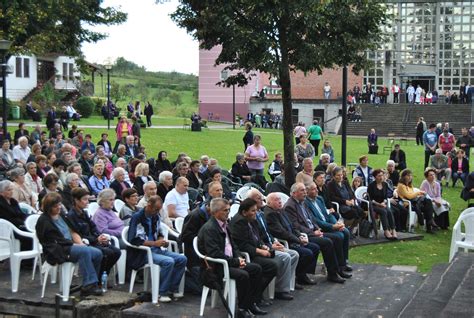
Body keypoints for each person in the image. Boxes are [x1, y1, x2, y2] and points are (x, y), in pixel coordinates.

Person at [198, 198, 263, 317]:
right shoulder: (210, 229)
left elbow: (233, 246)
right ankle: (242, 309)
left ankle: (250, 303)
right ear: (215, 212)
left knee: (256, 269)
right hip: (217, 266)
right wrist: (235, 261)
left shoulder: (225, 225)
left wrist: (239, 258)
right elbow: (215, 254)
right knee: (243, 275)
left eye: (228, 210)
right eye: (225, 210)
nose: (228, 212)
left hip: (229, 261)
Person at [36, 192, 103, 296]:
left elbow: (73, 231)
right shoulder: (44, 221)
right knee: (84, 251)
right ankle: (89, 285)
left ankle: (92, 282)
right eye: (55, 206)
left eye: (59, 204)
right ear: (49, 207)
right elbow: (54, 241)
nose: (59, 207)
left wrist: (80, 243)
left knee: (97, 253)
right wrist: (75, 245)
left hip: (70, 245)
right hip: (58, 249)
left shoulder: (62, 216)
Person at [284, 182, 350, 284]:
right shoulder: (290, 206)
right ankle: (332, 274)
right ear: (294, 193)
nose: (305, 193)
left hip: (313, 231)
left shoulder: (302, 202)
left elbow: (311, 219)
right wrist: (313, 232)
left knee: (336, 238)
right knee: (327, 242)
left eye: (305, 190)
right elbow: (296, 226)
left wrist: (317, 228)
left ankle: (338, 269)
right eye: (302, 191)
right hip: (305, 235)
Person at [128, 195, 187, 303]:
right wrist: (154, 243)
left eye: (159, 209)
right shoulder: (137, 217)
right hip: (143, 252)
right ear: (149, 205)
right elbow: (133, 240)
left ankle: (171, 289)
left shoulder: (155, 216)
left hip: (156, 249)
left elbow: (159, 232)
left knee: (182, 259)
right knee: (168, 261)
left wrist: (162, 241)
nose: (157, 212)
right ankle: (161, 292)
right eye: (156, 209)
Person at [246, 189, 299, 301]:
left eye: (261, 197)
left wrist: (274, 241)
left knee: (294, 254)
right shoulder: (252, 217)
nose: (261, 200)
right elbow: (256, 238)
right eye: (258, 198)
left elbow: (267, 233)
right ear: (250, 201)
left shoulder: (260, 214)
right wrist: (269, 246)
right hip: (261, 249)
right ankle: (281, 290)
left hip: (270, 244)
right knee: (286, 256)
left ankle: (281, 285)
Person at [229, 198, 278, 309]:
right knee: (270, 267)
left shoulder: (252, 220)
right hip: (247, 254)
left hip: (255, 250)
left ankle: (256, 295)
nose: (255, 213)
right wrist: (260, 251)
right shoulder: (238, 222)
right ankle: (255, 297)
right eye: (252, 211)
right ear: (244, 212)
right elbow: (242, 245)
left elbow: (258, 237)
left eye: (256, 210)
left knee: (273, 259)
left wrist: (263, 245)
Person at [264, 193, 319, 286]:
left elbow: (292, 227)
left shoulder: (281, 210)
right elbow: (282, 232)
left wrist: (299, 236)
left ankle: (302, 274)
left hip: (293, 238)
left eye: (280, 199)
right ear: (269, 202)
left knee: (315, 248)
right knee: (307, 253)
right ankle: (297, 275)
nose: (280, 201)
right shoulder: (270, 214)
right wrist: (298, 240)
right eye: (276, 200)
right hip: (286, 242)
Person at [66, 188, 120, 279]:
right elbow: (78, 235)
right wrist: (96, 239)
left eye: (87, 199)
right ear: (76, 200)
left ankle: (103, 275)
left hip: (93, 240)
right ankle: (98, 278)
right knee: (107, 253)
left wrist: (100, 236)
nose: (87, 202)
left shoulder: (84, 213)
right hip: (85, 243)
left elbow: (93, 227)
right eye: (84, 199)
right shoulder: (72, 216)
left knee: (116, 252)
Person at [397, 169, 437, 234]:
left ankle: (429, 224)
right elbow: (409, 196)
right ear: (403, 176)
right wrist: (418, 193)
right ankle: (430, 224)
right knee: (427, 203)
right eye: (408, 175)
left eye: (410, 175)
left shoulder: (409, 185)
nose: (410, 177)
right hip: (407, 204)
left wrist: (418, 194)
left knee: (428, 202)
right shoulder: (401, 186)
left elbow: (412, 195)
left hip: (414, 203)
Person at [367, 169, 398, 239]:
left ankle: (393, 229)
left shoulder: (385, 184)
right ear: (375, 177)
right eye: (379, 176)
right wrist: (379, 204)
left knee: (389, 211)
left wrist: (384, 202)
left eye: (382, 175)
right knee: (383, 211)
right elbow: (370, 199)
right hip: (373, 205)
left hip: (382, 204)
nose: (381, 177)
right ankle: (386, 230)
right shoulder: (371, 186)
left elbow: (385, 197)